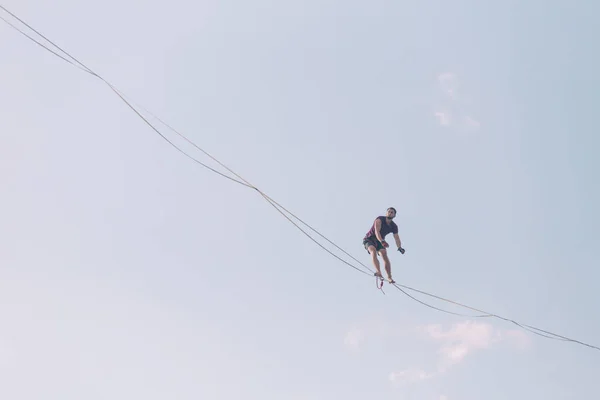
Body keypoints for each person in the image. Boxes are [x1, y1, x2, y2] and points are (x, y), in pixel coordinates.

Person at [363, 207, 405, 284]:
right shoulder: (379, 219)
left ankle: (389, 277)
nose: (390, 213)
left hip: (380, 241)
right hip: (370, 238)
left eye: (392, 212)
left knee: (384, 254)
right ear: (386, 213)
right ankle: (378, 272)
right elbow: (377, 231)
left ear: (394, 215)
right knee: (373, 251)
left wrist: (399, 247)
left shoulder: (394, 226)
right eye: (388, 211)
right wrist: (382, 241)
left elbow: (396, 238)